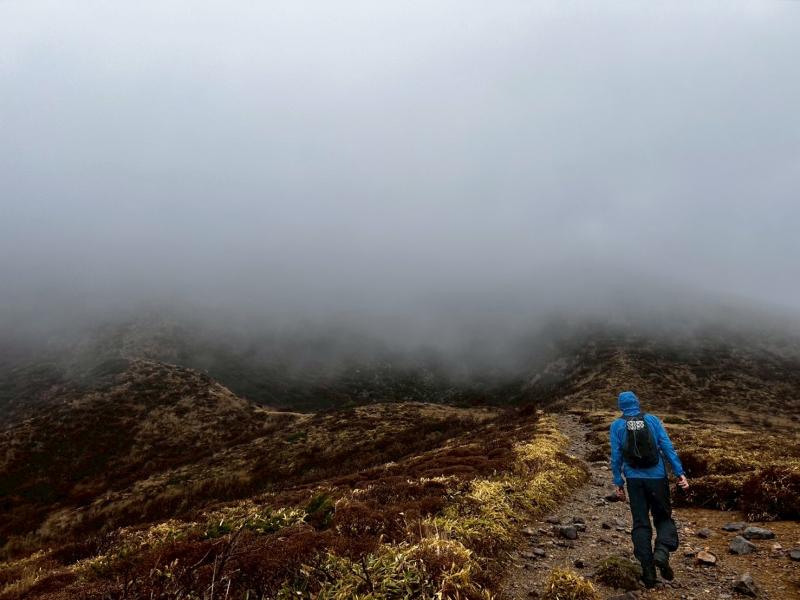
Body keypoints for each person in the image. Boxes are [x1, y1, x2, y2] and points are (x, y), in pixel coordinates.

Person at [610, 391, 689, 588]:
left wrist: (618, 482)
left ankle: (648, 573)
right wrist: (679, 472)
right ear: (637, 402)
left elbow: (616, 456)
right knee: (663, 517)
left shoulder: (617, 425)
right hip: (657, 478)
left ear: (621, 407)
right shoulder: (652, 420)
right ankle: (661, 552)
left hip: (634, 480)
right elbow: (667, 447)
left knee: (640, 523)